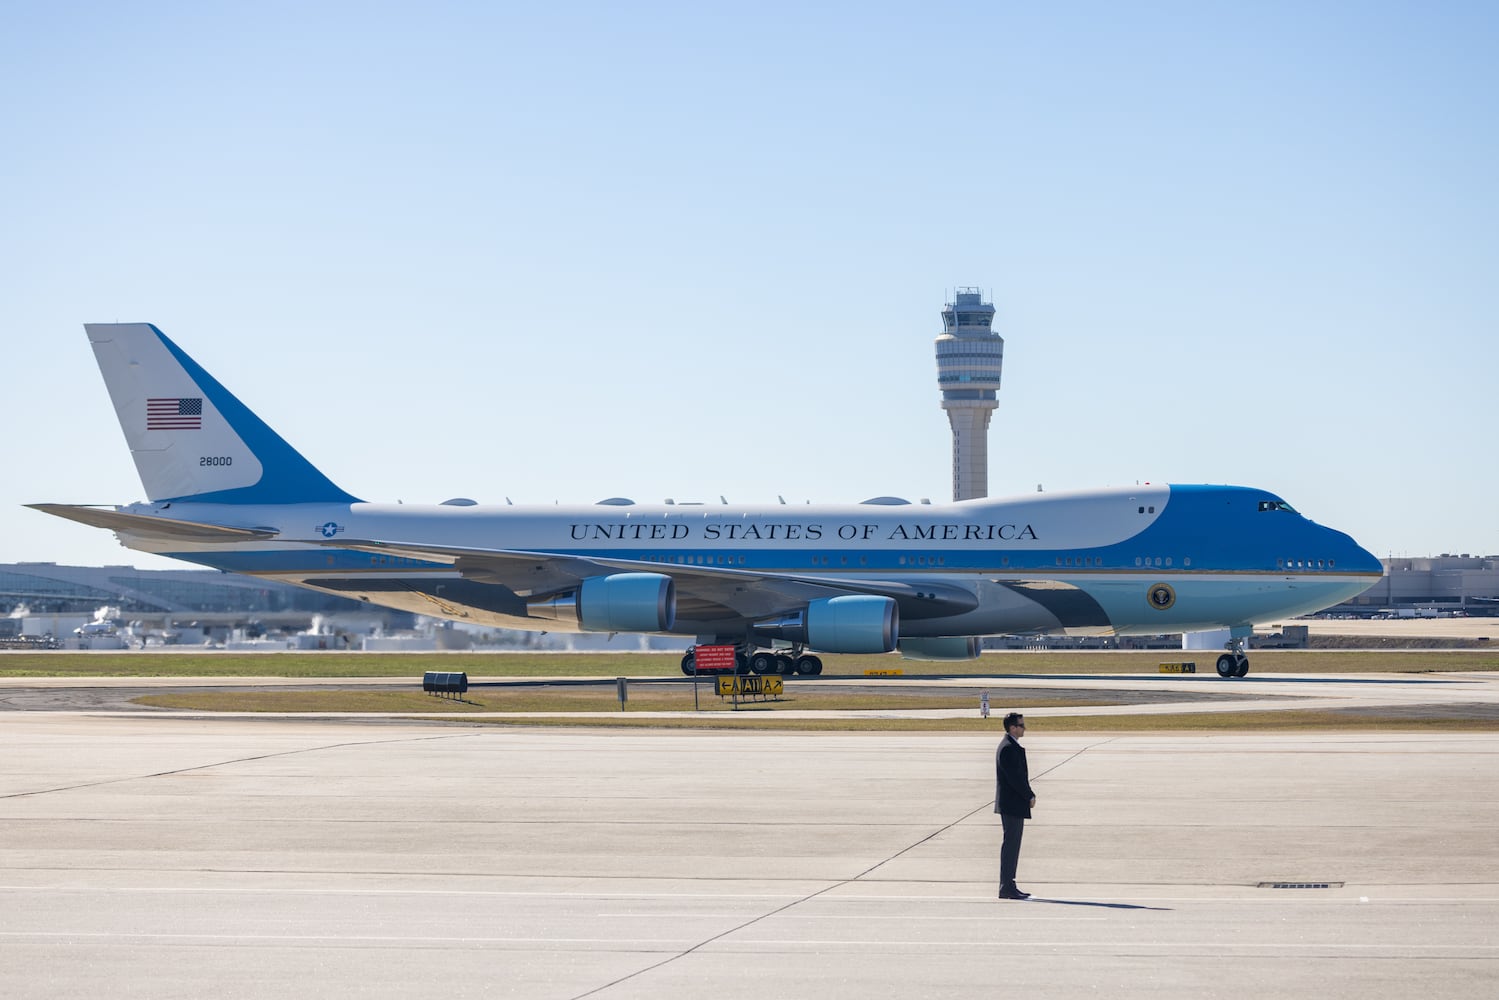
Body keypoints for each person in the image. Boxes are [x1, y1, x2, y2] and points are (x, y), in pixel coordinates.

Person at [995, 711, 1036, 899]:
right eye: (1021, 725)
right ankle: (1006, 886)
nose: (1024, 728)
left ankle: (1009, 884)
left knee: (1013, 845)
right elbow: (1015, 779)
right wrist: (1029, 795)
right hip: (1012, 804)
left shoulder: (1011, 746)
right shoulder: (1008, 748)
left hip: (1013, 804)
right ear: (1012, 728)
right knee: (1011, 845)